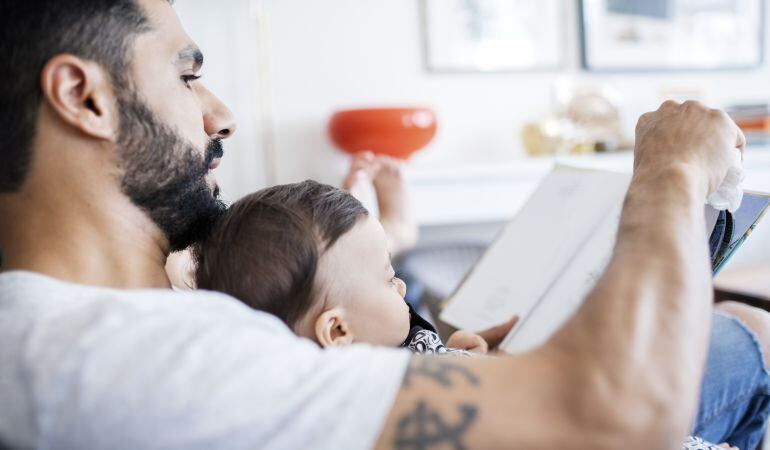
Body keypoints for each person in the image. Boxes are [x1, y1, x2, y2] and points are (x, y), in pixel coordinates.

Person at [0, 1, 768, 449]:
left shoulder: (116, 314)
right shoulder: (119, 357)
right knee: (747, 332)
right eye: (188, 74)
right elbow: (619, 410)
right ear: (84, 96)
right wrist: (671, 172)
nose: (221, 116)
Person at [193, 179, 514, 355]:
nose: (400, 287)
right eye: (390, 279)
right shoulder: (384, 392)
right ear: (338, 331)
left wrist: (450, 353)